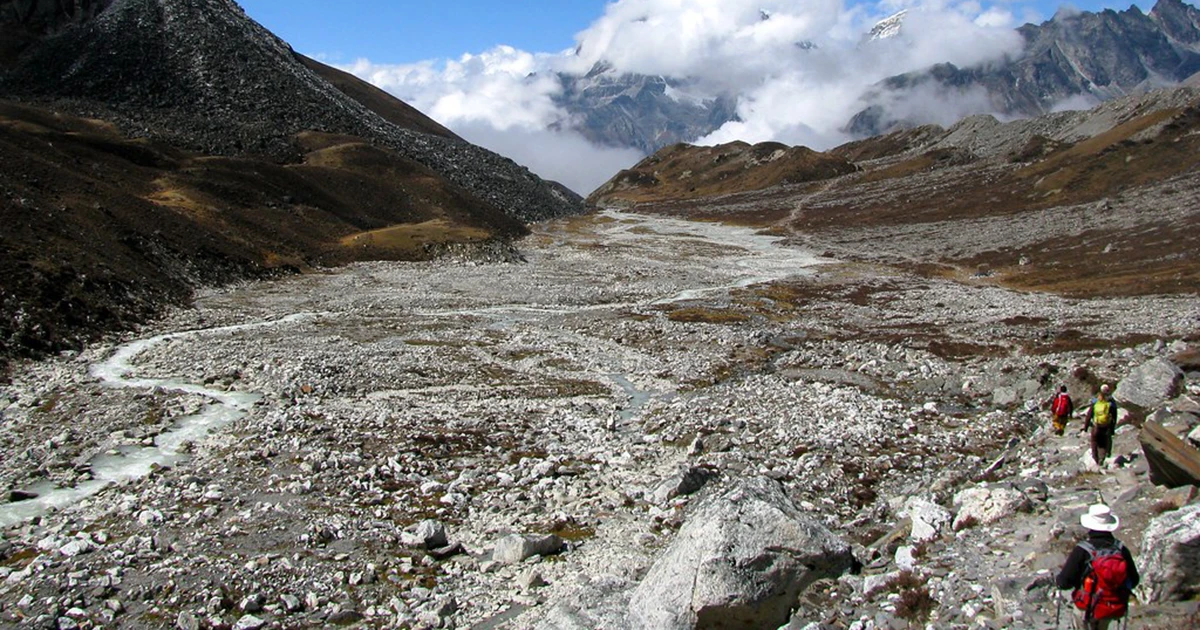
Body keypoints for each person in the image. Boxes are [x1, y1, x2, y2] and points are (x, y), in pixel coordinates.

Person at [1056, 504, 1139, 629]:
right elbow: (1134, 580)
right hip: (1110, 607)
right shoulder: (1121, 549)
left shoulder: (1083, 550)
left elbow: (1064, 582)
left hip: (1086, 607)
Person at [1082, 384, 1118, 466]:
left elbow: (1089, 415)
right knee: (1105, 443)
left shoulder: (1095, 401)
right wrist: (1112, 429)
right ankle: (1104, 458)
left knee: (1094, 442)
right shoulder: (1111, 403)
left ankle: (1095, 459)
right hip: (1106, 427)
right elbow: (1114, 417)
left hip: (1096, 426)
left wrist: (1085, 428)